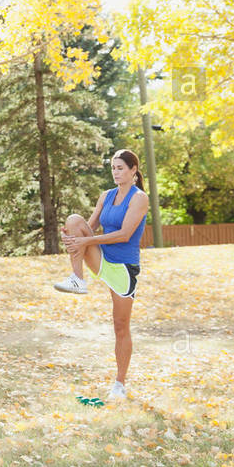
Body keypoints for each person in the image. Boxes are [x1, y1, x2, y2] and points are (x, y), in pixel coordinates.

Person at [53, 149, 150, 402]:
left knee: (120, 325)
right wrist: (73, 238)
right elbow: (90, 226)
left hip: (124, 268)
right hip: (103, 258)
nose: (116, 172)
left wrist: (85, 240)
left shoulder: (139, 198)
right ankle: (77, 279)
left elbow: (125, 234)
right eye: (113, 168)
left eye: (120, 168)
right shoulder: (106, 196)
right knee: (74, 220)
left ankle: (120, 383)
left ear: (133, 170)